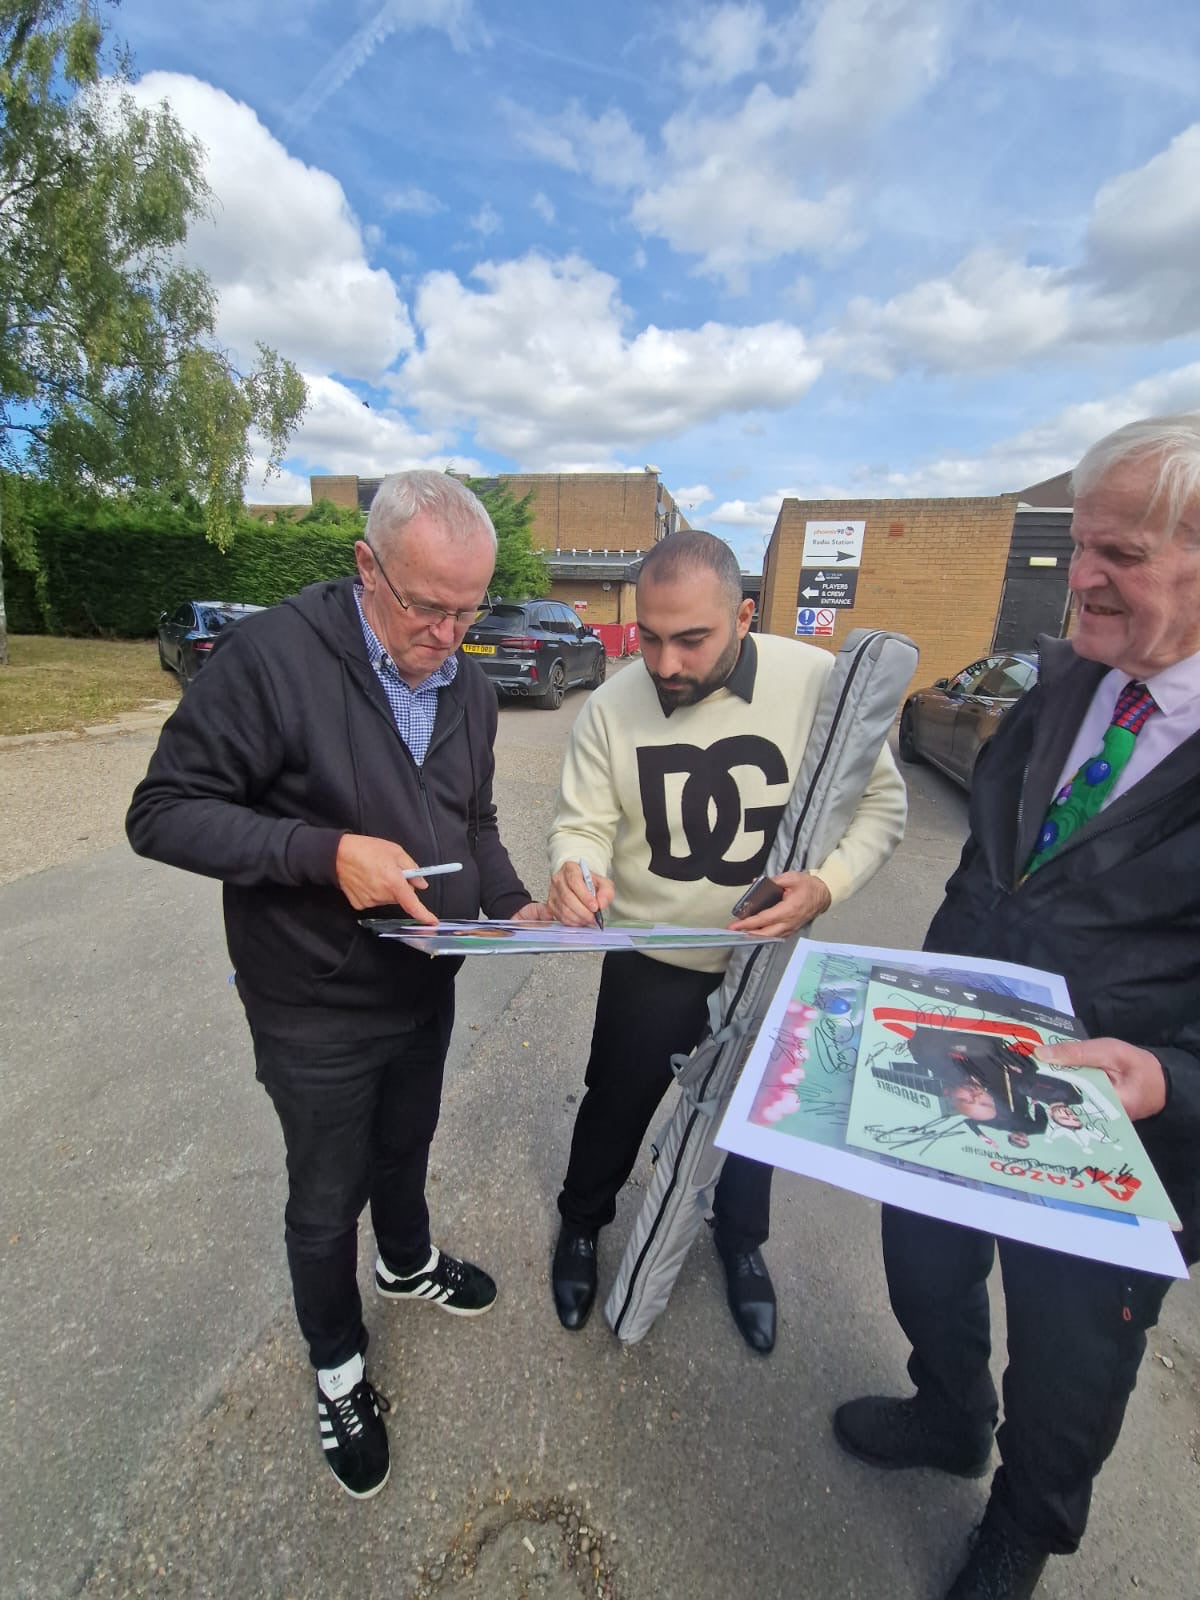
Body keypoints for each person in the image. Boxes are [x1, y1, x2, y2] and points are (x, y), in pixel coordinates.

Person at [833, 413, 1200, 1600]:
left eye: (1121, 558)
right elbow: (986, 866)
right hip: (953, 1065)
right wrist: (910, 1003)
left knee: (1070, 1363)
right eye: (1081, 545)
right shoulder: (1064, 682)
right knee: (926, 1266)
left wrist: (1168, 1077)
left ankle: (1023, 1531)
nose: (1078, 578)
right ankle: (949, 1413)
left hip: (1115, 1134)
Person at [126, 470, 548, 1500]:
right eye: (427, 607)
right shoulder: (271, 659)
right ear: (368, 569)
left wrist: (514, 906)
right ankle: (338, 1365)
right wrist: (324, 853)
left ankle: (406, 1264)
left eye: (470, 610)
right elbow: (163, 811)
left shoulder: (474, 687)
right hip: (310, 997)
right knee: (325, 1195)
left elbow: (474, 822)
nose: (451, 636)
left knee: (406, 1144)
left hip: (424, 982)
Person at [546, 530, 906, 1353]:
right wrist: (576, 867)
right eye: (650, 637)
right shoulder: (611, 705)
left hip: (771, 963)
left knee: (752, 1120)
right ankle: (580, 1224)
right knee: (615, 1104)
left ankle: (739, 1241)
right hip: (650, 960)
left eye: (691, 639)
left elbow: (883, 807)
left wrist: (826, 885)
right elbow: (585, 820)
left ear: (745, 615)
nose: (664, 664)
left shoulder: (817, 682)